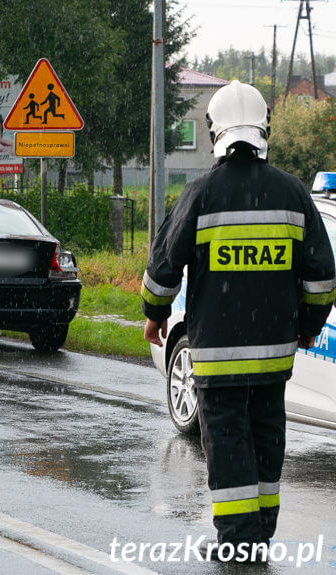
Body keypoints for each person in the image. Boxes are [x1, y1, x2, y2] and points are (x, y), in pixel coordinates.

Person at [140, 81, 336, 561]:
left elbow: (164, 264)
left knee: (227, 444)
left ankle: (237, 543)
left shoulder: (201, 193)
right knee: (267, 438)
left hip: (217, 354)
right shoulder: (293, 193)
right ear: (263, 127)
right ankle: (259, 535)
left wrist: (155, 314)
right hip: (273, 354)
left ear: (215, 130)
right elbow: (323, 276)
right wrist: (309, 324)